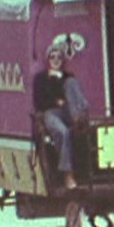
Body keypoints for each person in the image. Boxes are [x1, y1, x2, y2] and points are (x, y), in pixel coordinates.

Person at [33, 44, 89, 192]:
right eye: (53, 57)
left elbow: (73, 96)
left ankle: (79, 118)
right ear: (48, 59)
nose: (56, 60)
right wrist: (55, 101)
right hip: (50, 112)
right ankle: (67, 174)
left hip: (68, 111)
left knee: (72, 84)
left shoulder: (68, 77)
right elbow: (39, 102)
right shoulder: (41, 78)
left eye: (59, 57)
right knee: (63, 133)